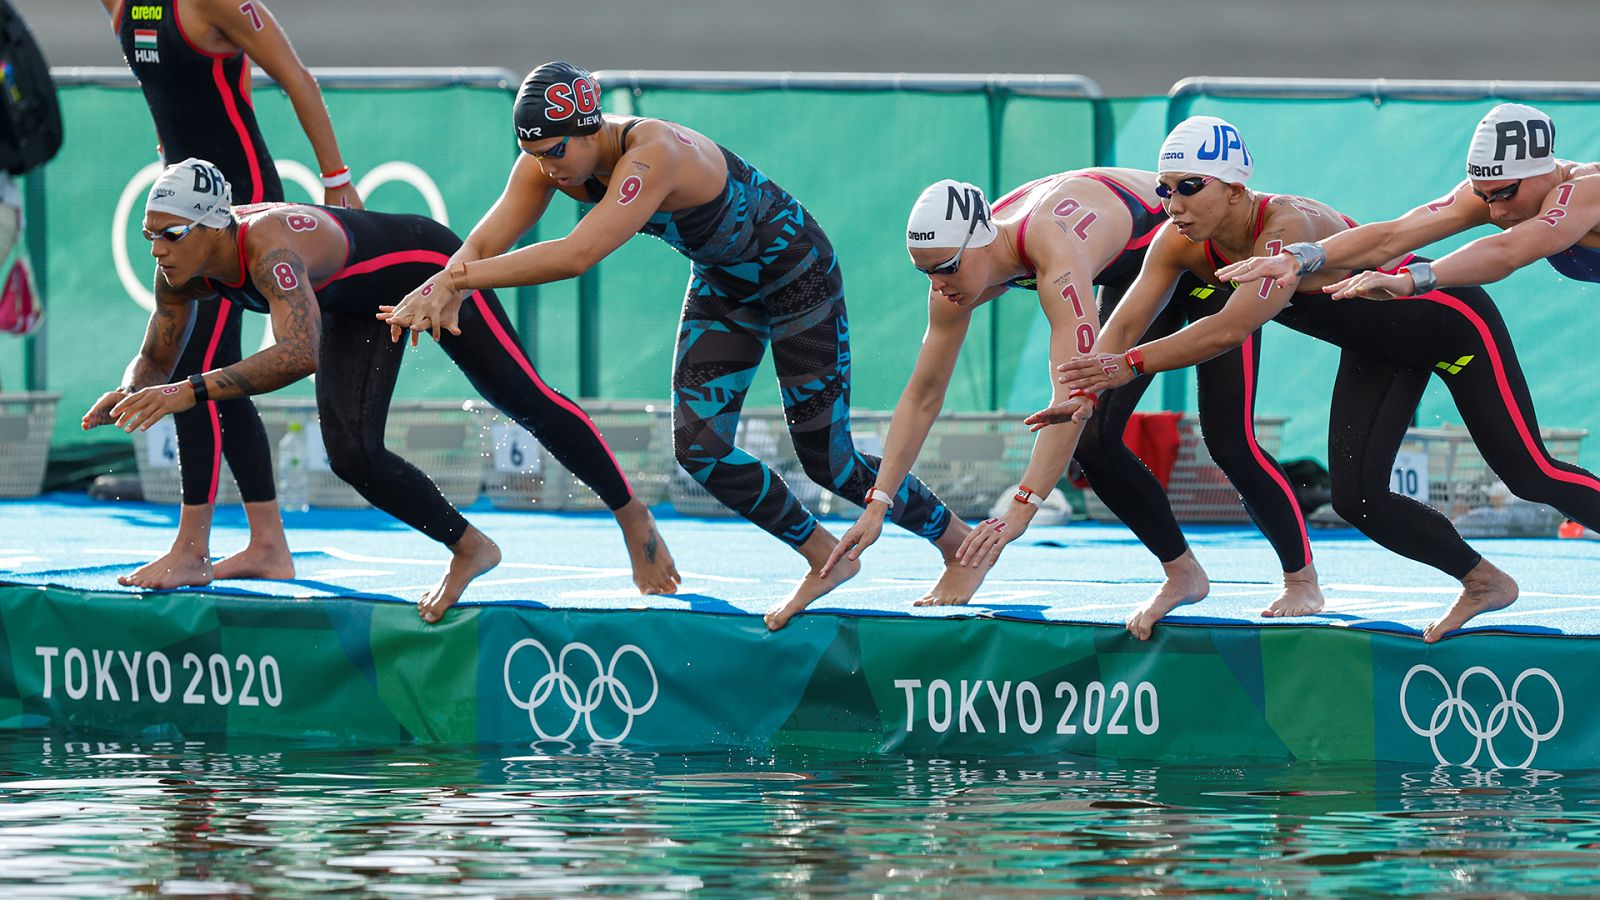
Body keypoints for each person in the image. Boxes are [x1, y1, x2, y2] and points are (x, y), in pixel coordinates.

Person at [378, 61, 968, 631]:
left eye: (556, 152)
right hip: (725, 283)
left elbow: (576, 255)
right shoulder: (547, 161)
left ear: (592, 124)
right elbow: (483, 241)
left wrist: (452, 282)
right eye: (534, 155)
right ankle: (825, 556)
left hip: (796, 272)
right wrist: (439, 285)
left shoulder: (653, 152)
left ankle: (958, 544)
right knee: (701, 451)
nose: (548, 169)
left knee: (828, 459)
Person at [1033, 116, 1600, 642]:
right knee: (1357, 499)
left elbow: (1510, 249)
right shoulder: (1183, 242)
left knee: (1531, 473)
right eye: (1165, 188)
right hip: (1378, 347)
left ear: (1234, 188)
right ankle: (1484, 582)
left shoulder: (1581, 189)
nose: (1496, 208)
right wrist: (1083, 390)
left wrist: (1413, 280)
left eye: (1188, 187)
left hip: (1454, 328)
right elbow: (1392, 235)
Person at [85, 159, 680, 622]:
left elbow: (298, 354)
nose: (157, 249)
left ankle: (633, 519)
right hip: (351, 304)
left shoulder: (267, 250)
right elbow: (156, 354)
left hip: (426, 265)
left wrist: (187, 392)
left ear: (213, 225)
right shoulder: (177, 269)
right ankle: (470, 547)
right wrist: (128, 391)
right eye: (149, 236)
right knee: (350, 453)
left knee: (522, 396)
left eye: (170, 234)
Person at [822, 173, 1323, 629]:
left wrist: (1022, 507)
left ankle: (1302, 581)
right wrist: (878, 502)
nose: (938, 285)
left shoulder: (1052, 254)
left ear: (981, 243)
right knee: (1093, 439)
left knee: (1229, 440)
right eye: (925, 273)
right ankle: (1183, 573)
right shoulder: (954, 274)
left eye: (946, 269)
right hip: (1135, 277)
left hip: (1198, 253)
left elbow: (1069, 387)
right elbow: (924, 393)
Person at [88, 0, 361, 589]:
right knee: (212, 372)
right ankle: (268, 544)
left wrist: (336, 180)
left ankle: (193, 550)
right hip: (182, 208)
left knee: (196, 368)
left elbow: (297, 79)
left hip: (237, 208)